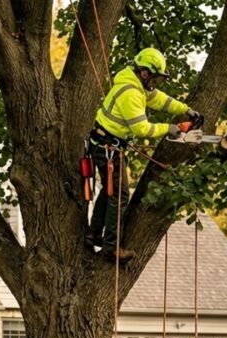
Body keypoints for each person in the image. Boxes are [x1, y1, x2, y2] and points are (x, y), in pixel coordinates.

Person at [86, 47, 203, 261]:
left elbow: (160, 100)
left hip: (106, 144)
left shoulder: (136, 84)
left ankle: (93, 234)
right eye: (155, 78)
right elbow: (142, 129)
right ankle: (111, 247)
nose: (155, 84)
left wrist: (186, 110)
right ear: (145, 73)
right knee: (120, 195)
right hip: (107, 148)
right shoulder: (130, 93)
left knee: (110, 191)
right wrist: (168, 128)